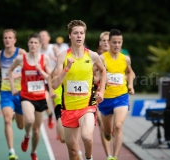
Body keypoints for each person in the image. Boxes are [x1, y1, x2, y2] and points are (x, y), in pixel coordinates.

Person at [52, 20, 106, 160]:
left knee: (87, 137)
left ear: (84, 35)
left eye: (81, 33)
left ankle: (88, 158)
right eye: (75, 33)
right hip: (68, 108)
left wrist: (101, 92)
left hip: (87, 105)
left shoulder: (92, 55)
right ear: (69, 35)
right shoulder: (63, 57)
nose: (79, 36)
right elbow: (54, 84)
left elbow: (103, 71)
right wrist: (66, 69)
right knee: (73, 153)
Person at [0, 29, 26, 160]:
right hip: (6, 92)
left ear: (14, 40)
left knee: (21, 126)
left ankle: (15, 116)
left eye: (10, 38)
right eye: (5, 38)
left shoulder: (21, 53)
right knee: (7, 120)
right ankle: (11, 151)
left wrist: (18, 74)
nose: (7, 40)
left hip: (20, 92)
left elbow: (29, 67)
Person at [9, 33, 51, 160]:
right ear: (28, 44)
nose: (33, 45)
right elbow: (10, 71)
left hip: (40, 96)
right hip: (26, 96)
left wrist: (40, 70)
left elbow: (49, 77)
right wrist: (12, 87)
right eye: (31, 42)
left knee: (37, 130)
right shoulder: (21, 59)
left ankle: (33, 152)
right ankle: (27, 136)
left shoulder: (45, 59)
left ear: (40, 44)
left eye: (35, 43)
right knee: (29, 120)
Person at [98, 29, 135, 160]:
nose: (117, 45)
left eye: (119, 42)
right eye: (114, 42)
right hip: (106, 99)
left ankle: (115, 157)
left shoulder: (125, 59)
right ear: (109, 42)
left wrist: (130, 85)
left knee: (118, 125)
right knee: (108, 131)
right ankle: (107, 134)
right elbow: (93, 74)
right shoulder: (102, 58)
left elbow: (131, 73)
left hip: (121, 96)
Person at [94, 31, 113, 160]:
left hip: (115, 95)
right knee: (101, 123)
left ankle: (109, 133)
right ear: (100, 43)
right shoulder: (95, 58)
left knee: (113, 127)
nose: (106, 43)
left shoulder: (120, 57)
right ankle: (109, 155)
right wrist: (100, 79)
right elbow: (90, 75)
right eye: (104, 41)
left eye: (108, 40)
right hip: (99, 94)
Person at [39, 30, 60, 129]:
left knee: (56, 104)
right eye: (40, 36)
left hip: (54, 79)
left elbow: (61, 60)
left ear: (48, 38)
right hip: (43, 80)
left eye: (44, 36)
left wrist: (53, 58)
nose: (42, 38)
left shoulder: (53, 47)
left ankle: (58, 128)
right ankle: (50, 114)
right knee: (44, 101)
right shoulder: (37, 49)